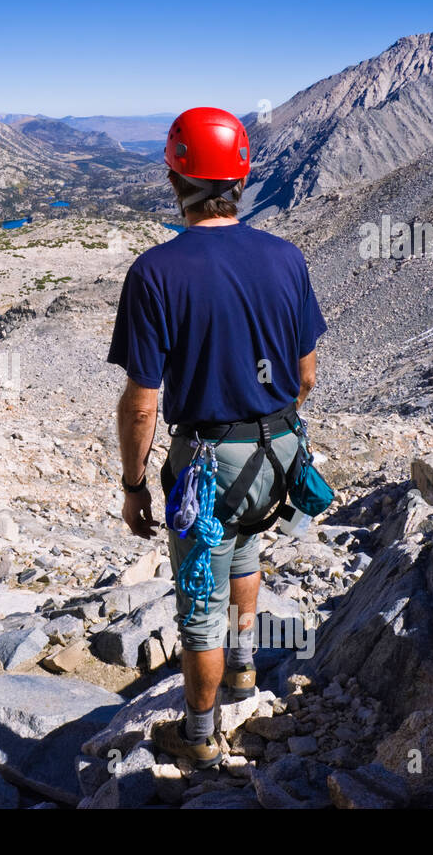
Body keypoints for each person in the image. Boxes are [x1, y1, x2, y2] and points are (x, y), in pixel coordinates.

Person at [108, 107, 327, 767]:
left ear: (175, 177)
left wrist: (133, 485)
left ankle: (199, 740)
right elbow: (305, 377)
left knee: (198, 595)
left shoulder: (156, 272)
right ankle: (242, 674)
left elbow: (142, 405)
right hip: (277, 452)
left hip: (209, 465)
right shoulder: (286, 258)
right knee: (247, 552)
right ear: (243, 178)